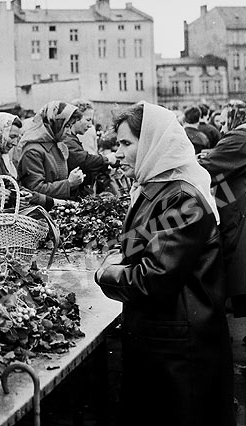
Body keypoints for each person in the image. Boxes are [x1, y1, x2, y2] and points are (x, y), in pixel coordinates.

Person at [95, 102, 234, 426]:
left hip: (180, 351)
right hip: (162, 340)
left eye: (127, 144)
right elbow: (136, 242)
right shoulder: (153, 190)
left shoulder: (182, 197)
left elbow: (154, 277)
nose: (119, 153)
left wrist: (105, 272)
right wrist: (115, 251)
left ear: (151, 144)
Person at [198, 100, 246, 316]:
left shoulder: (238, 137)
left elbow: (209, 168)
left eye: (225, 120)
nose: (222, 127)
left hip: (238, 209)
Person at [15, 101, 85, 201]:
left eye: (70, 126)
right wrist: (69, 183)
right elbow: (35, 189)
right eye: (67, 126)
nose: (69, 132)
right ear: (55, 124)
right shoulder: (33, 151)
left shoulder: (57, 145)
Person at [63, 99, 113, 194]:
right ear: (75, 118)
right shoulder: (68, 140)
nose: (90, 125)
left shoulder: (72, 138)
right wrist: (107, 159)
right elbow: (84, 161)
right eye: (88, 120)